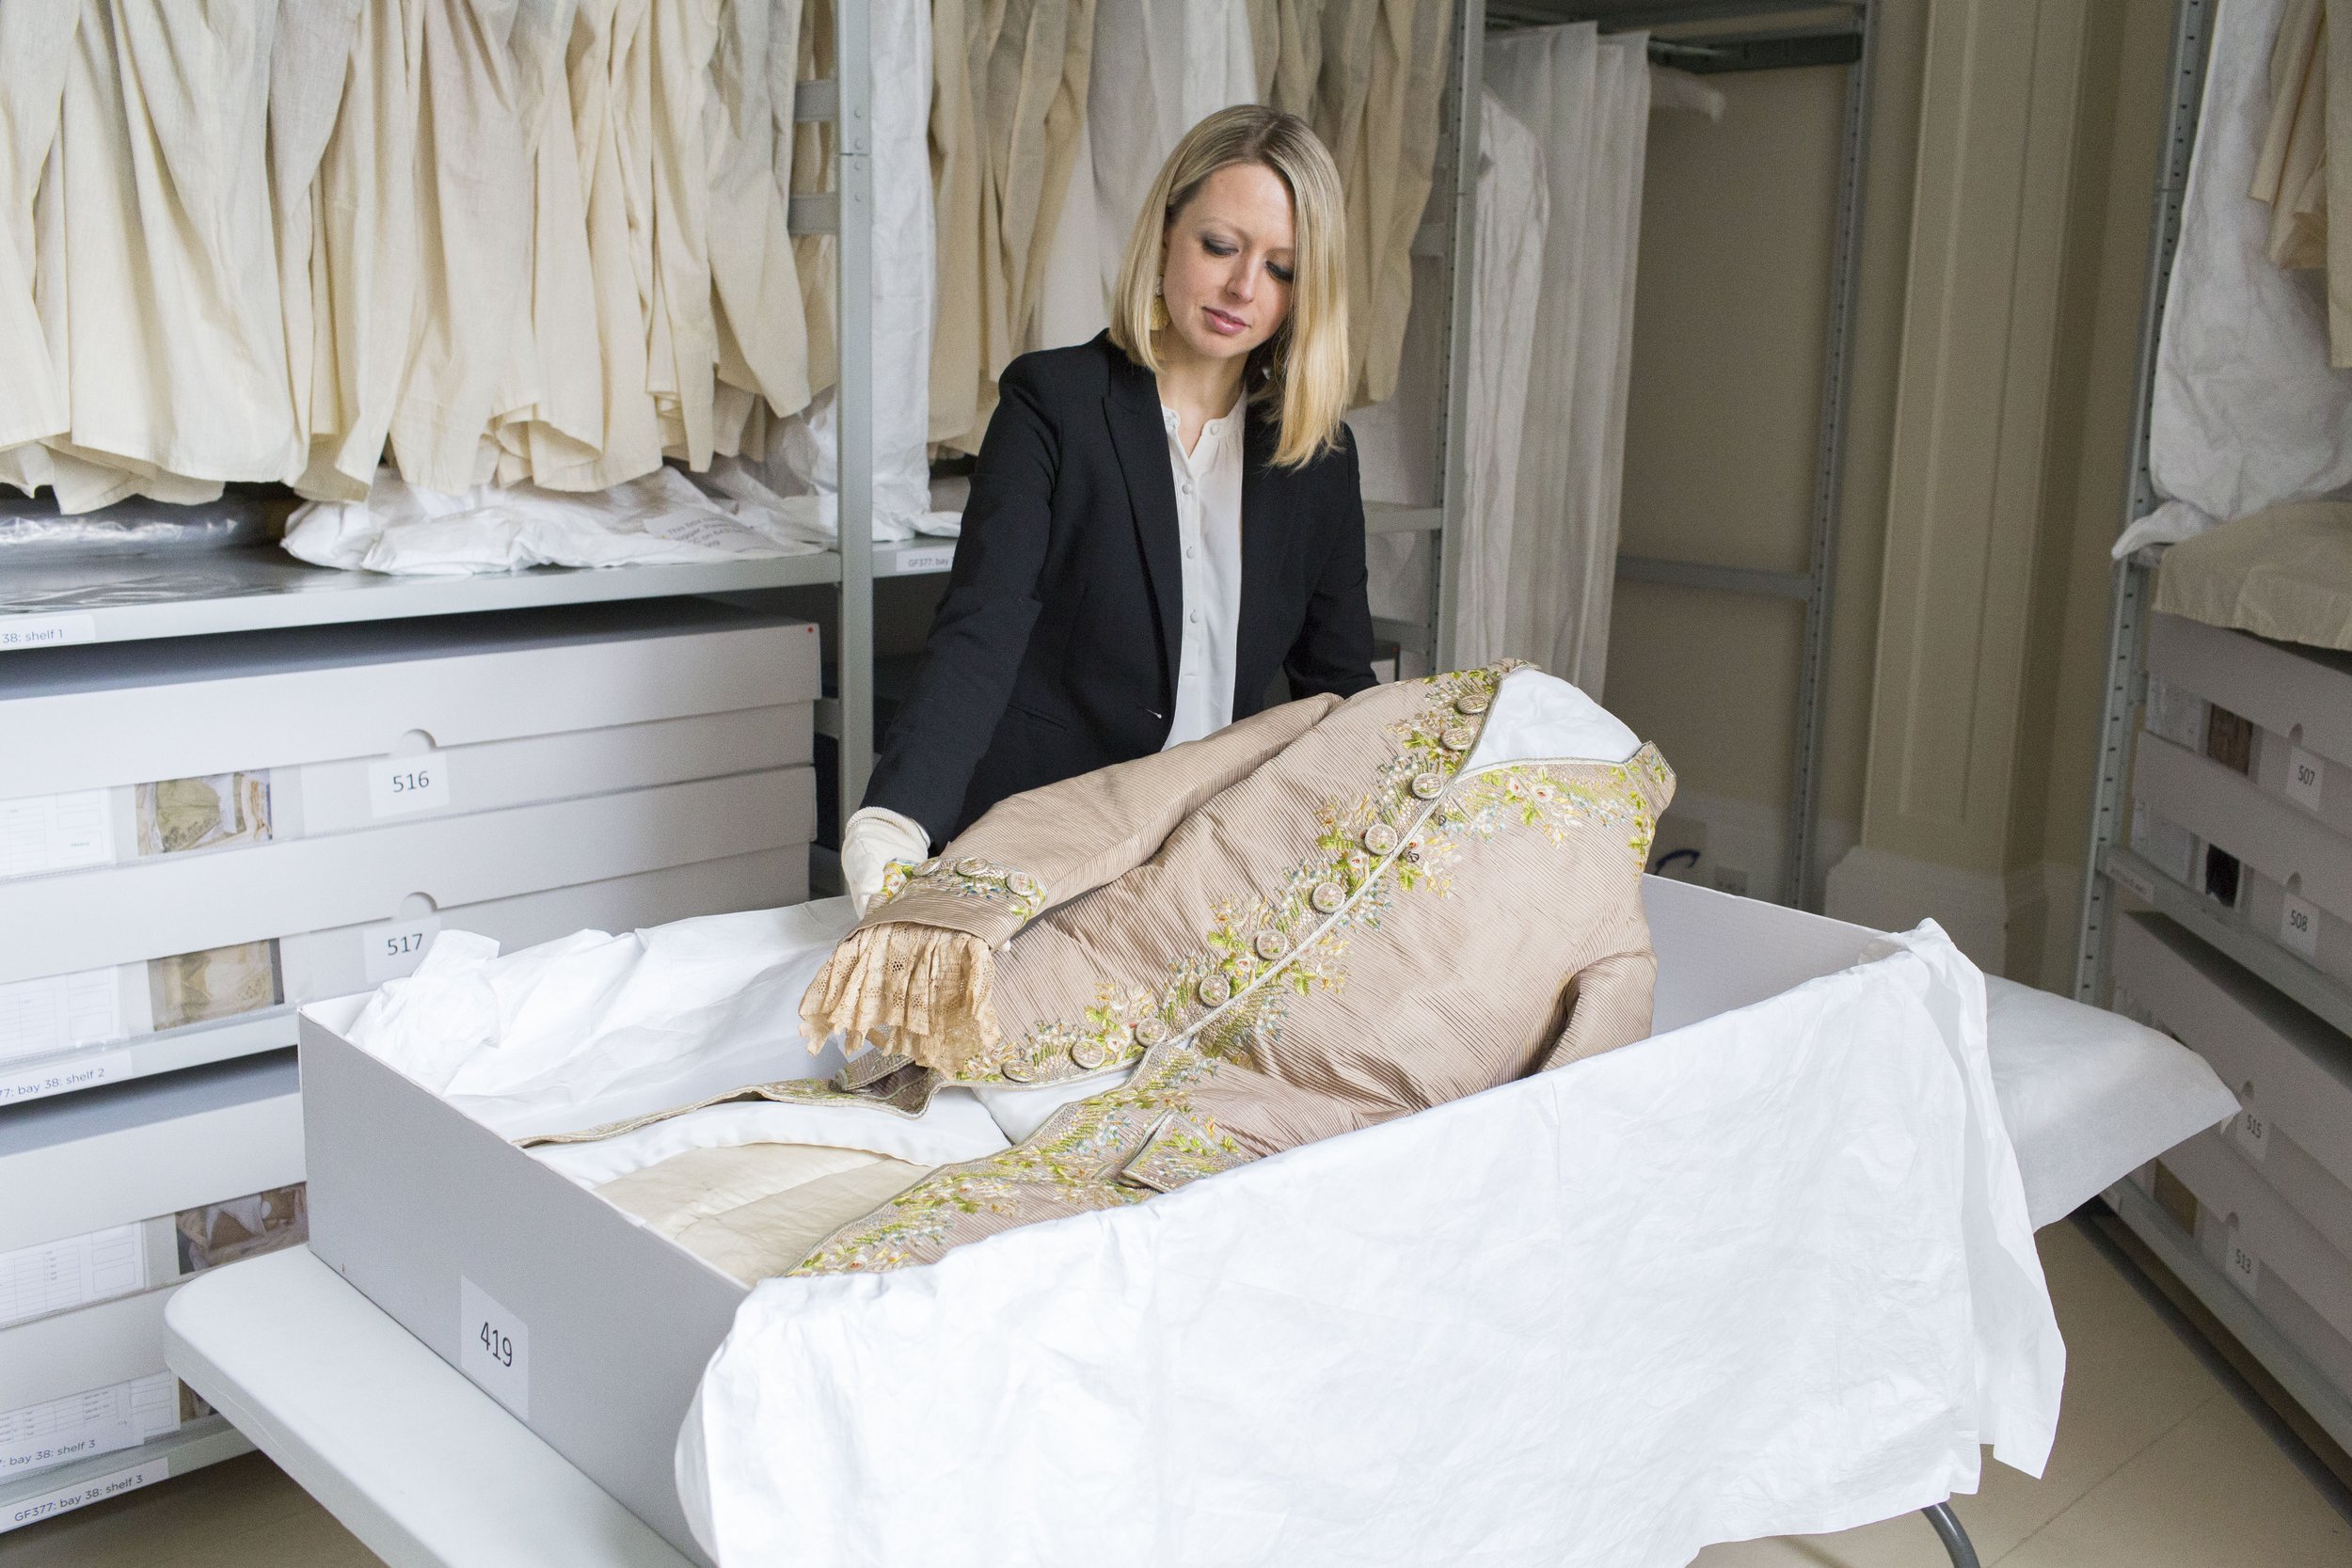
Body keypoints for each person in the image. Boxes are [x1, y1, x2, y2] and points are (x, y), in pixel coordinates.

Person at [840, 105, 1376, 911]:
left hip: (1211, 854)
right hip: (1046, 838)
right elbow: (981, 631)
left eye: (1282, 269)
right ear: (1166, 233)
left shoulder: (1317, 456)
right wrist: (896, 816)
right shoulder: (1052, 403)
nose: (1242, 287)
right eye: (1221, 247)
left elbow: (1337, 687)